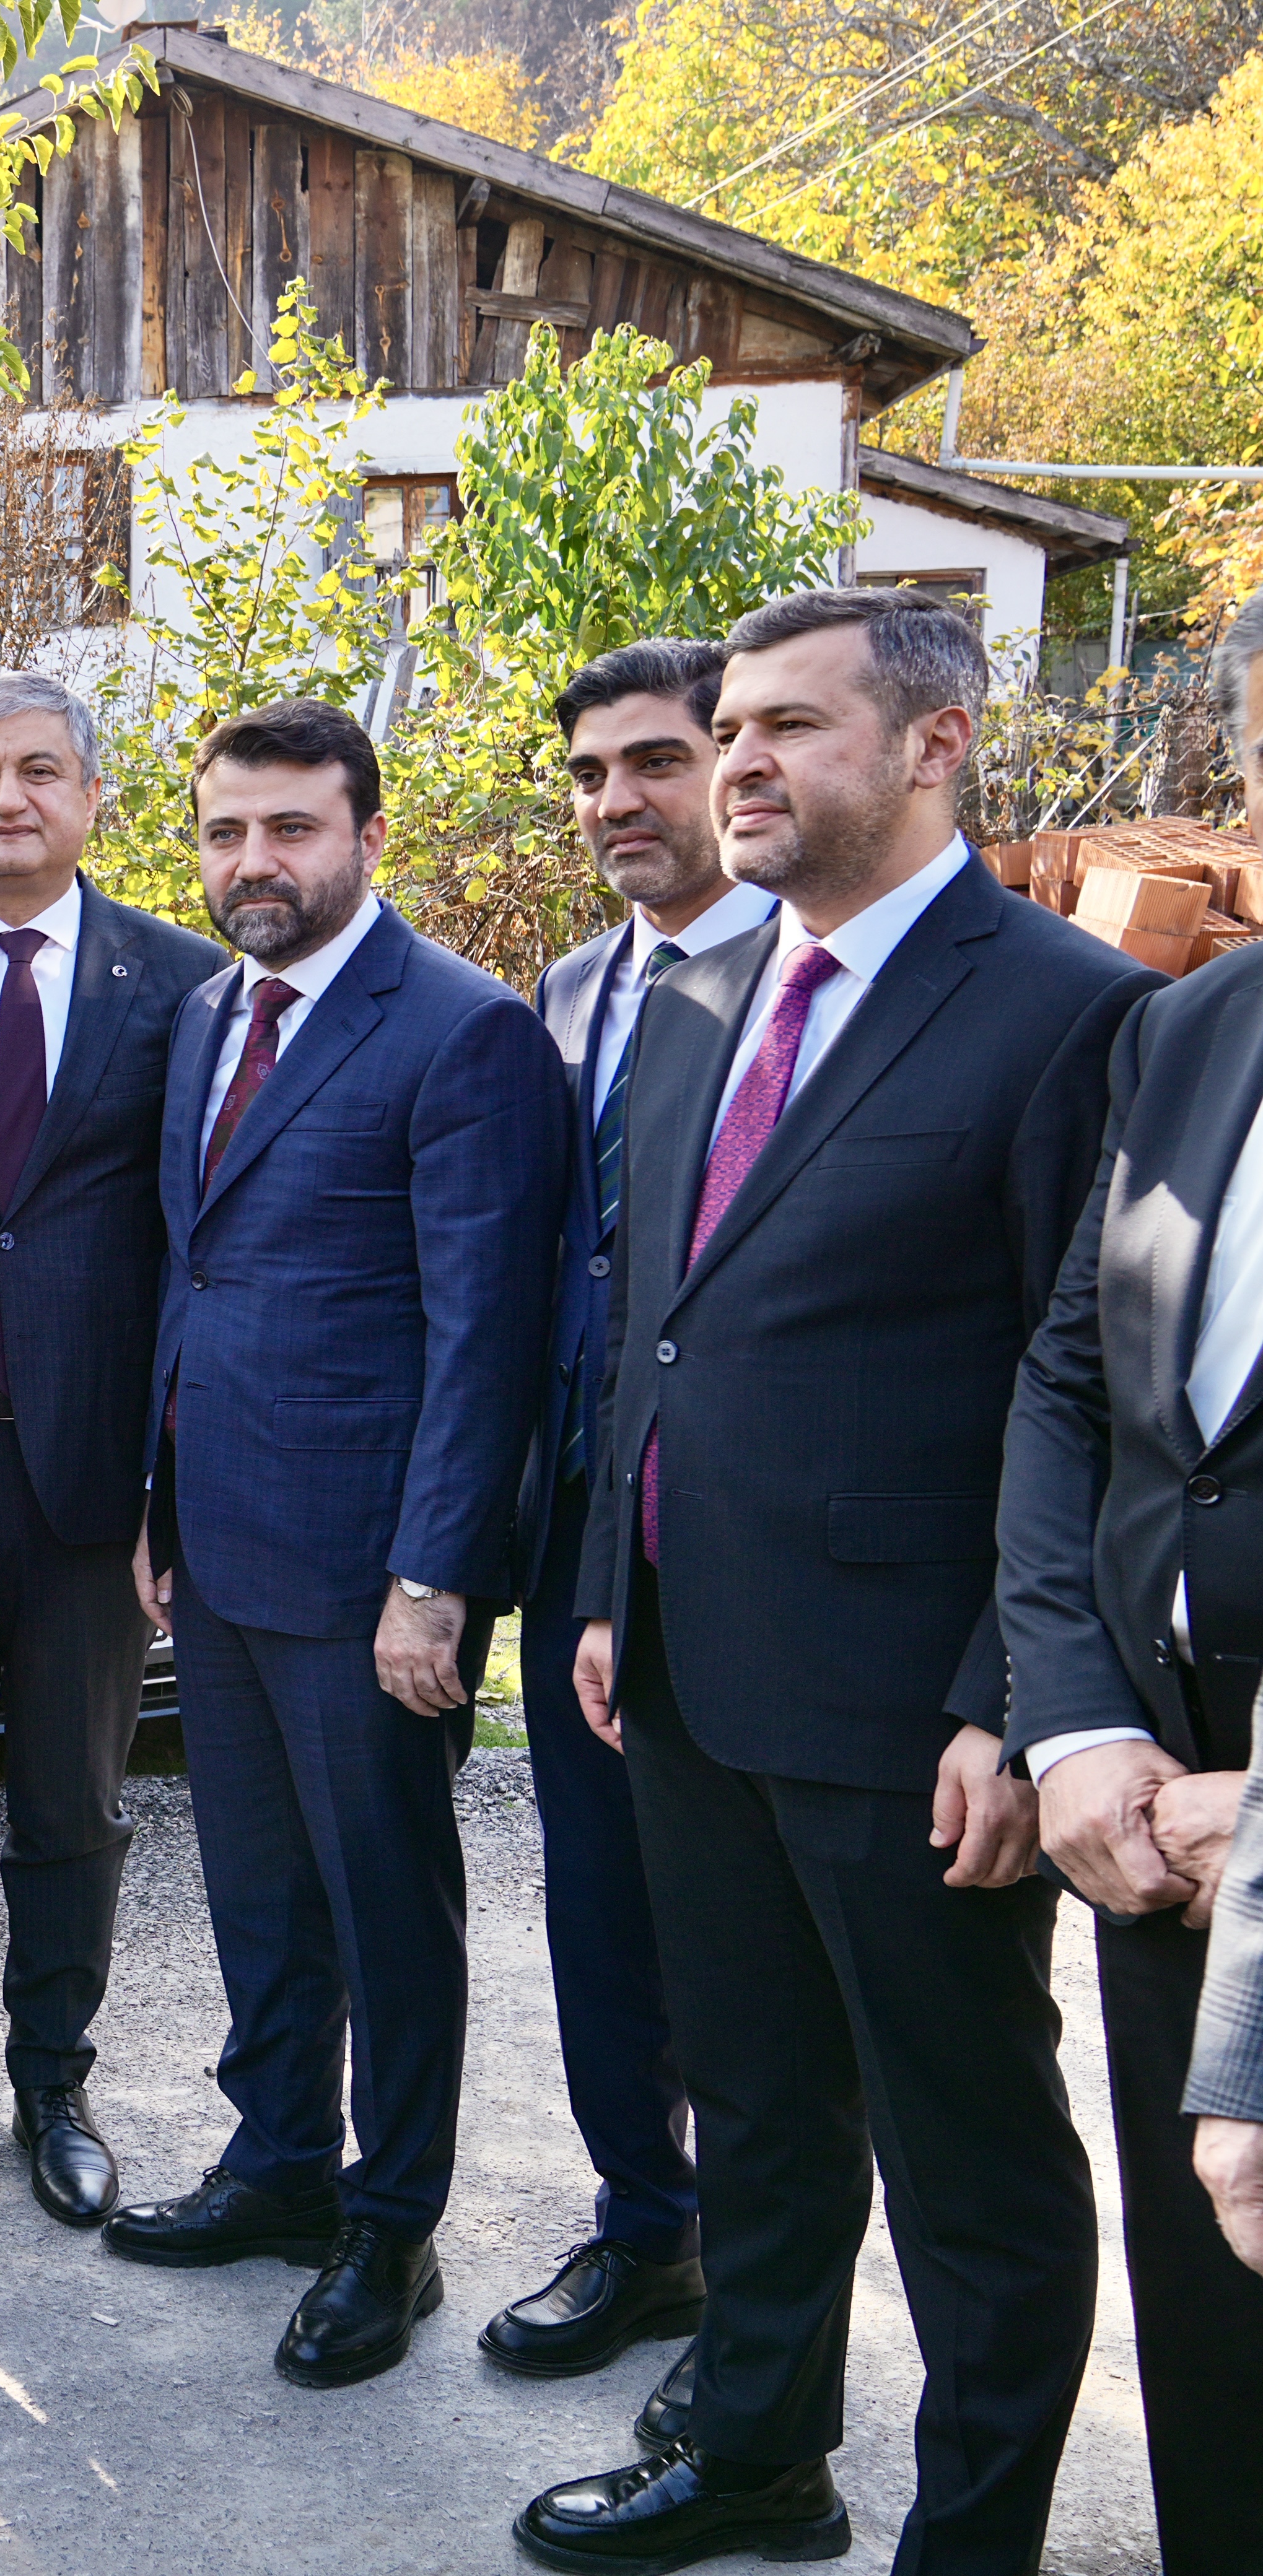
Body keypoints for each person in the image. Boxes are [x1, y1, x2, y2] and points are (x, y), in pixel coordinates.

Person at [519, 588, 1153, 2575]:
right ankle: (757, 2454)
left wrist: (1008, 1694)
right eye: (726, 731)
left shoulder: (1060, 1010)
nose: (735, 766)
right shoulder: (702, 992)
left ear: (932, 743)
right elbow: (659, 1325)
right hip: (691, 1671)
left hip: (914, 1721)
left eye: (783, 726)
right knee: (757, 2108)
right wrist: (612, 1579)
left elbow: (1093, 1400)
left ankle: (966, 2539)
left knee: (963, 2155)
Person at [107, 699, 566, 2393]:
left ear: (368, 834)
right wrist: (158, 1511)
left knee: (386, 1904)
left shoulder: (461, 1032)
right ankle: (281, 2161)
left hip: (373, 1572)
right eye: (228, 829)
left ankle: (394, 2225)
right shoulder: (209, 1013)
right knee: (258, 1893)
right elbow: (196, 1270)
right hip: (218, 1550)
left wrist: (433, 1579)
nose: (254, 861)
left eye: (290, 828)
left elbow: (484, 1339)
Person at [0, 673, 221, 2232]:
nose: (7, 799)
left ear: (91, 797)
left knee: (76, 1802)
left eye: (41, 773)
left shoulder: (184, 982)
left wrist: (174, 1476)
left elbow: (198, 1234)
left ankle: (53, 2082)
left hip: (87, 1475)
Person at [997, 593, 1263, 2574]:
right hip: (1154, 1811)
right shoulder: (1183, 1026)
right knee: (1212, 2335)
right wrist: (1074, 1714)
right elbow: (1073, 1381)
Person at [482, 641, 771, 2385]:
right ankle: (643, 2226)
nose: (616, 806)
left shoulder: (807, 995)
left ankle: (765, 2267)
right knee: (596, 1900)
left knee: (738, 1929)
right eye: (591, 775)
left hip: (742, 1540)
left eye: (652, 763)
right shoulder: (571, 989)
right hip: (578, 1523)